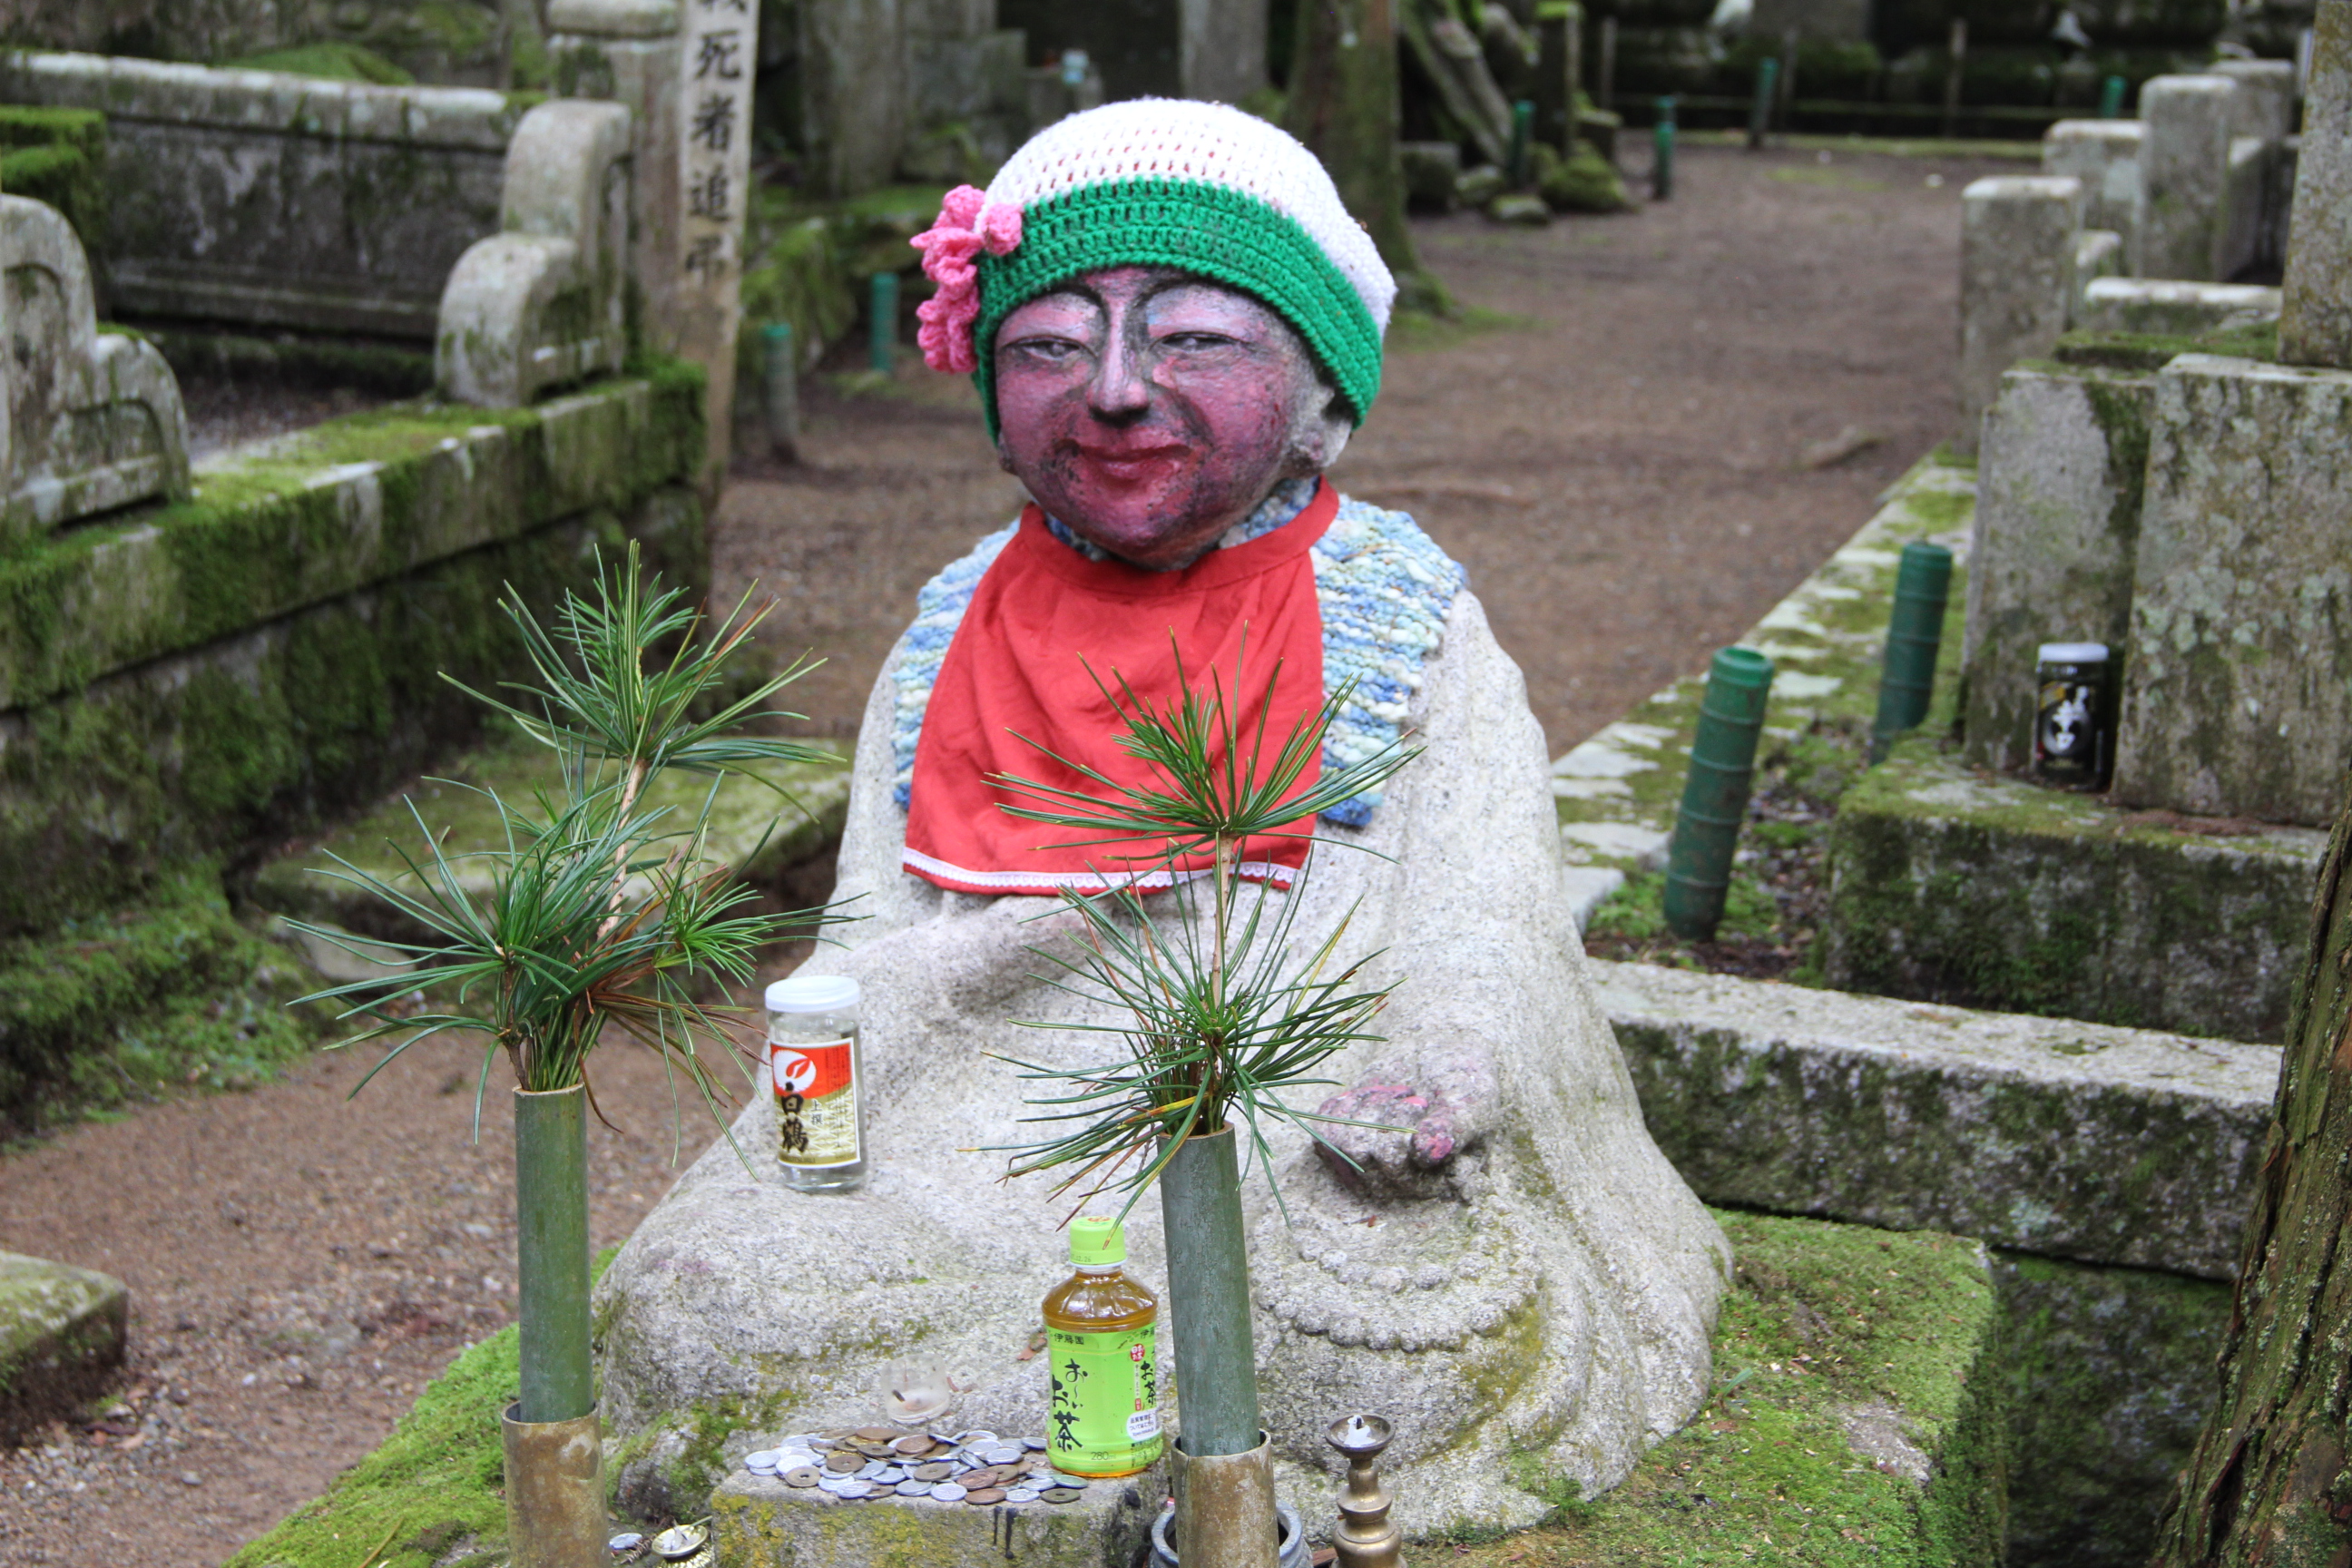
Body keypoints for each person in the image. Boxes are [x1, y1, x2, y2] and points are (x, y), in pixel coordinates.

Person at [597, 99, 1726, 1537]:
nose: (1118, 391)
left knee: (1387, 1330)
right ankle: (1026, 1441)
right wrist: (868, 1050)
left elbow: (1485, 927)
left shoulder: (1403, 625)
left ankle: (1003, 1442)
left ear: (1318, 390)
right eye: (1050, 348)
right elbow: (864, 946)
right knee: (693, 1301)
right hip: (964, 1141)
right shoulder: (954, 628)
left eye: (1191, 339)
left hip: (1283, 1139)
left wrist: (1439, 1070)